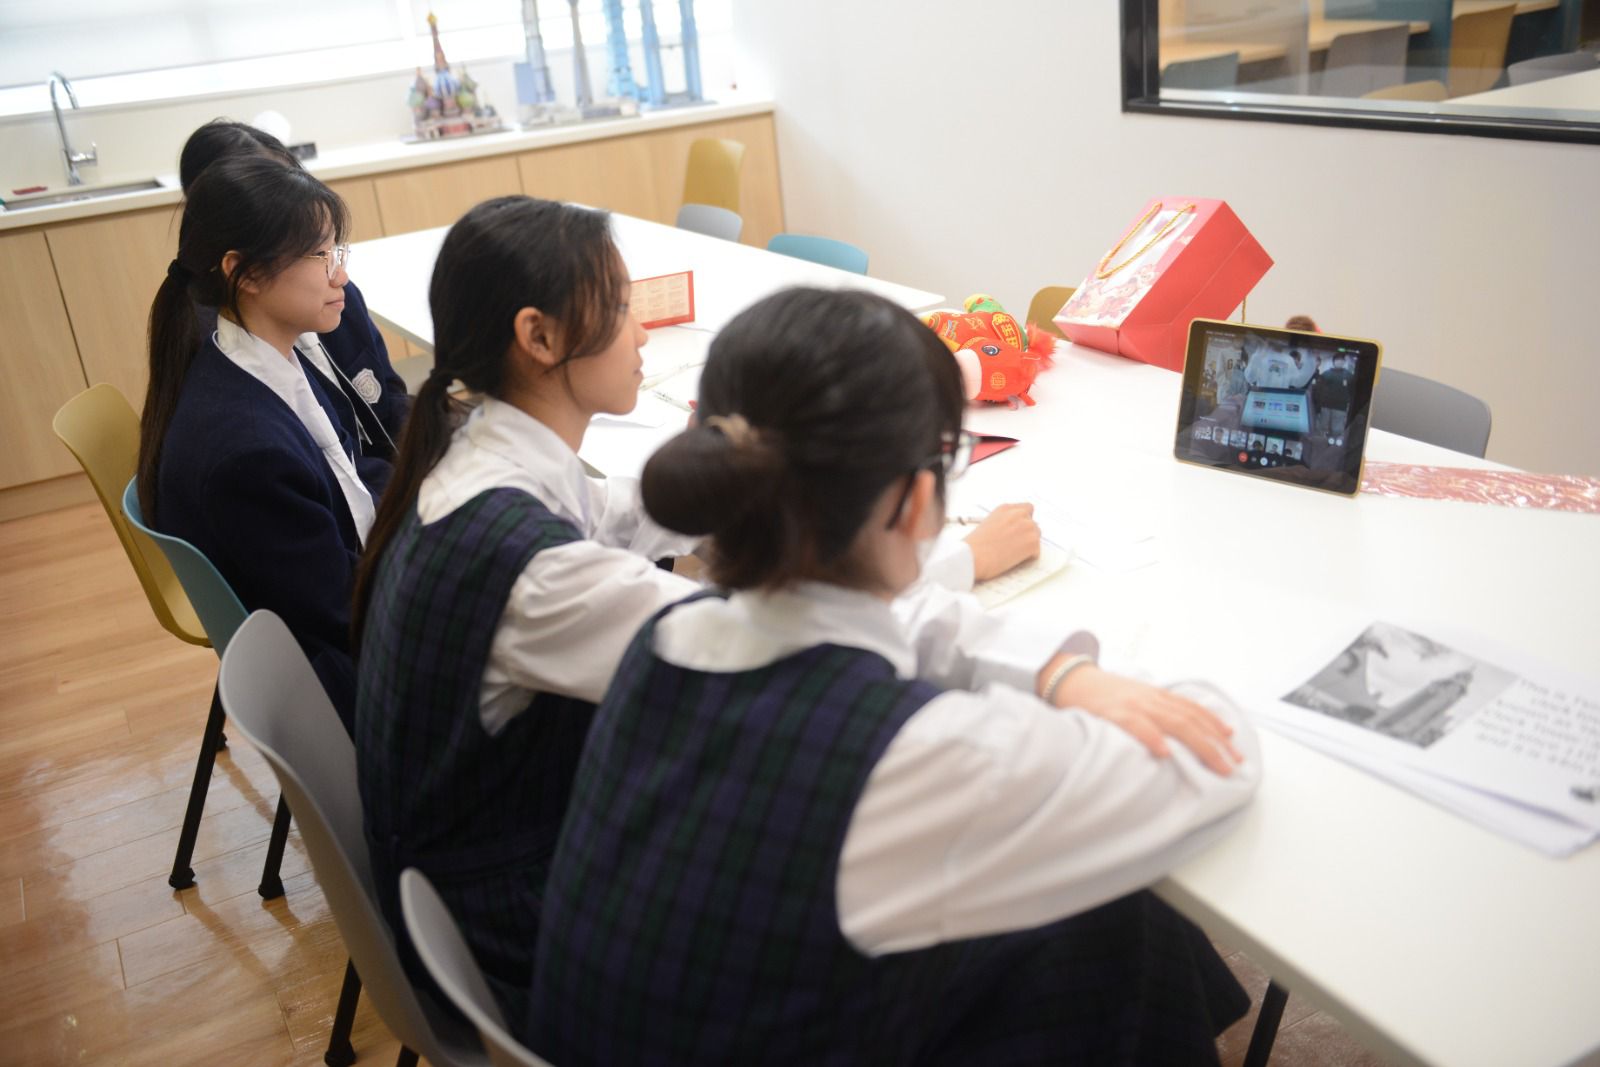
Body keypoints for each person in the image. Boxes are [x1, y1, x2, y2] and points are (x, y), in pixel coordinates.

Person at [350, 197, 1047, 1018]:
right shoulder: (538, 574)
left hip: (483, 865)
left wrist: (758, 472)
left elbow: (622, 511)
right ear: (538, 337)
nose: (642, 334)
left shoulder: (479, 457)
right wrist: (959, 557)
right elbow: (776, 641)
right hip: (519, 927)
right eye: (619, 309)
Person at [527, 287, 1262, 1065]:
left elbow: (879, 618)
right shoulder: (915, 756)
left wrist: (1058, 669)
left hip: (631, 1028)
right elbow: (1219, 756)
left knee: (1099, 927)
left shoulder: (665, 635)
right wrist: (1135, 678)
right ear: (918, 501)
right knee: (1115, 916)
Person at [139, 155, 375, 725]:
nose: (340, 275)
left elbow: (347, 483)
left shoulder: (252, 364)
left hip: (343, 627)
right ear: (243, 272)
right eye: (320, 255)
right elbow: (345, 614)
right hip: (351, 686)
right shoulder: (249, 452)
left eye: (337, 252)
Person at [178, 120, 409, 485]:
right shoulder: (248, 414)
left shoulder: (327, 302)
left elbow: (389, 396)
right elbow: (336, 474)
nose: (339, 275)